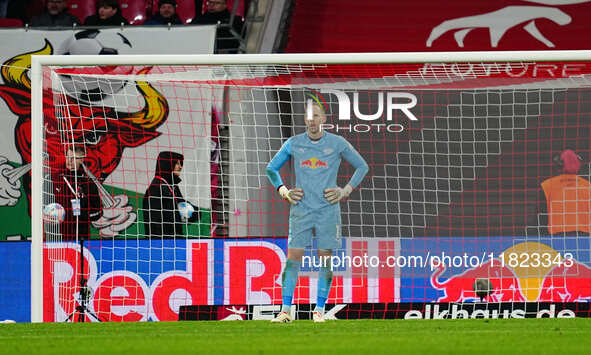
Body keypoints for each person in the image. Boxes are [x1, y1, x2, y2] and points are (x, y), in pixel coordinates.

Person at [266, 100, 368, 323]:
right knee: (293, 258)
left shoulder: (337, 143)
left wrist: (345, 191)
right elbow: (271, 168)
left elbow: (362, 166)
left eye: (316, 116)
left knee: (325, 260)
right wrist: (284, 191)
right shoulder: (294, 143)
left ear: (324, 119)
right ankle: (285, 311)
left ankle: (319, 310)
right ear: (305, 119)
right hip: (301, 210)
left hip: (327, 211)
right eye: (308, 116)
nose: (312, 120)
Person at [143, 151, 200, 238]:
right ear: (168, 164)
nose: (181, 167)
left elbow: (181, 204)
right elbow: (154, 222)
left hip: (175, 239)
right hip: (162, 243)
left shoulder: (172, 186)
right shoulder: (155, 188)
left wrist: (195, 212)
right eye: (177, 163)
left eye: (181, 164)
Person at [53, 146, 102, 241]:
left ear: (81, 160)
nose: (69, 161)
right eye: (68, 157)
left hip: (81, 234)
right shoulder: (55, 178)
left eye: (74, 158)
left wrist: (82, 214)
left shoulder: (88, 183)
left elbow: (97, 212)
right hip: (57, 232)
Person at [539, 149, 590, 235]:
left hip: (555, 237)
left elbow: (541, 216)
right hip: (583, 237)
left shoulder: (547, 185)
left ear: (559, 165)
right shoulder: (588, 186)